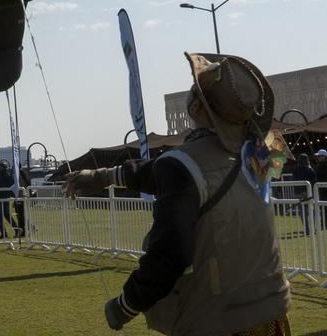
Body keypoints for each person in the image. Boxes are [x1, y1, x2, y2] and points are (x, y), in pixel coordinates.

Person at [67, 52, 291, 333]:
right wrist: (103, 177)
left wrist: (127, 304)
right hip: (272, 314)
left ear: (196, 108)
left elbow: (169, 255)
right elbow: (164, 173)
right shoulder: (258, 155)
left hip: (216, 321)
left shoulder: (183, 163)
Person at [0, 160, 17, 239]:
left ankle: (8, 232)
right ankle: (6, 232)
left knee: (3, 216)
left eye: (0, 167)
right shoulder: (6, 177)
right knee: (5, 215)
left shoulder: (3, 177)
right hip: (2, 198)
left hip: (2, 198)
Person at [291, 152, 316, 237]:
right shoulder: (310, 170)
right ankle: (313, 228)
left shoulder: (295, 170)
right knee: (312, 211)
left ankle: (307, 229)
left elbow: (293, 181)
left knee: (303, 213)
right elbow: (314, 182)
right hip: (309, 193)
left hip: (298, 194)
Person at [315, 149, 327, 229]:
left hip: (323, 189)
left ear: (324, 157)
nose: (318, 157)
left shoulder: (322, 166)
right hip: (322, 189)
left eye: (320, 156)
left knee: (324, 207)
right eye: (318, 156)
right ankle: (324, 223)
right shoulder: (320, 165)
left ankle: (324, 223)